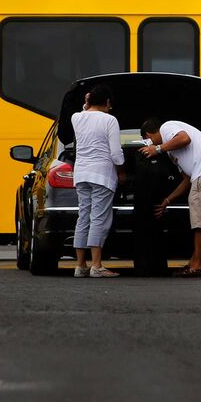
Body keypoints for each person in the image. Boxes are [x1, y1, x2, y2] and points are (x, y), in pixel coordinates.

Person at [139, 117, 201, 278]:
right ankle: (195, 261)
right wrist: (168, 200)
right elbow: (187, 179)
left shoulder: (167, 127)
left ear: (148, 135)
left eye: (148, 141)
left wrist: (157, 149)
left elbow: (184, 139)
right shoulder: (173, 151)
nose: (149, 145)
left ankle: (197, 265)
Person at [70, 84, 124, 278]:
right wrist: (121, 170)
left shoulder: (76, 118)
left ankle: (80, 265)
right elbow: (116, 154)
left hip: (81, 174)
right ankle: (97, 266)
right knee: (99, 218)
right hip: (102, 175)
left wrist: (87, 102)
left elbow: (84, 111)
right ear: (107, 102)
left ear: (89, 100)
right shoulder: (110, 120)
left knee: (83, 216)